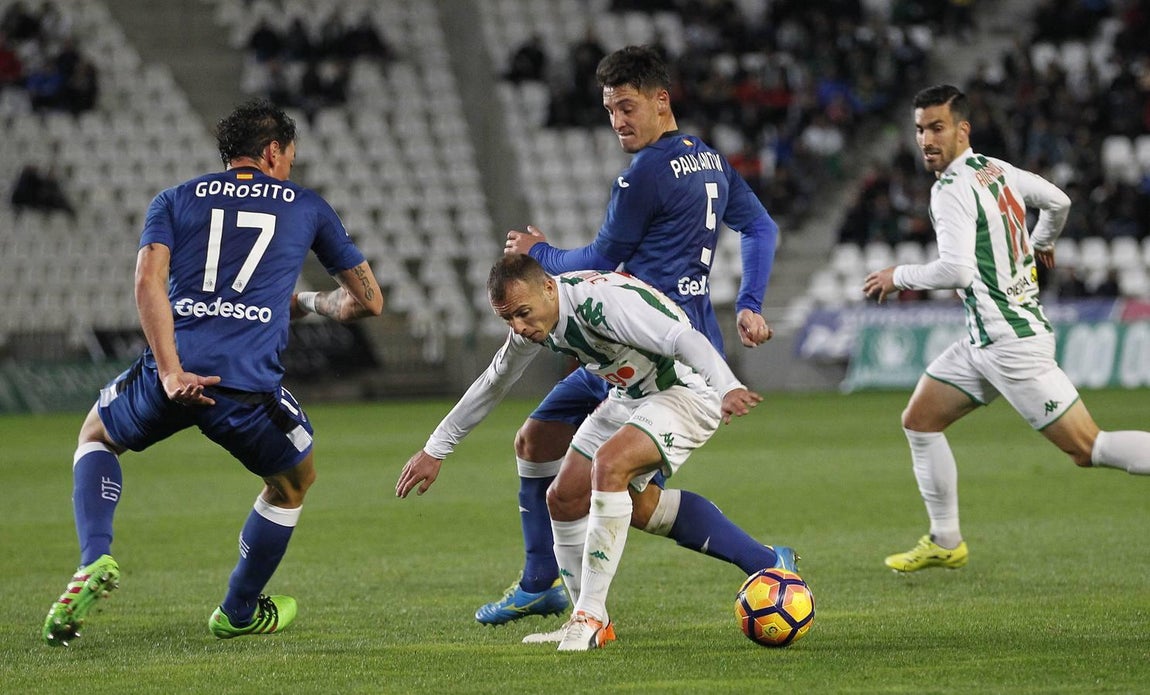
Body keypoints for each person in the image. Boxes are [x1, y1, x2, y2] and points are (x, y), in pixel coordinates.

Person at [41, 99, 384, 646]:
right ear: (273, 151)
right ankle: (239, 609)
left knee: (95, 437)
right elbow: (367, 301)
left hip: (172, 372)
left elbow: (148, 282)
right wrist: (317, 302)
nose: (289, 168)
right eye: (289, 158)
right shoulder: (307, 205)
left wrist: (173, 373)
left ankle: (94, 558)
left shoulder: (174, 199)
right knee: (294, 481)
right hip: (246, 387)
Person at [485, 44, 789, 628]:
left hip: (663, 355)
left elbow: (601, 256)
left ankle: (763, 560)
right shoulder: (710, 160)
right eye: (610, 111)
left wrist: (536, 253)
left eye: (627, 107)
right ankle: (538, 582)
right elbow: (759, 225)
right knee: (535, 439)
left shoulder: (644, 172)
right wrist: (749, 302)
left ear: (660, 101)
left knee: (631, 496)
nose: (618, 122)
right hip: (616, 352)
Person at [397, 254, 763, 651]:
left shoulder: (599, 303)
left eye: (522, 313)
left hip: (686, 390)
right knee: (564, 496)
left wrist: (727, 386)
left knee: (609, 464)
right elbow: (493, 382)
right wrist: (435, 450)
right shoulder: (535, 321)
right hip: (630, 394)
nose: (518, 326)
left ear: (549, 289)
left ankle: (587, 614)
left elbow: (683, 339)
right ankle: (595, 624)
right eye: (508, 319)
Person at [862, 84, 1150, 573]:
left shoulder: (950, 190)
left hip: (1011, 345)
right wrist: (1042, 241)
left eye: (937, 128)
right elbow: (1057, 201)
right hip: (984, 341)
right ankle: (946, 539)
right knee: (920, 420)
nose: (926, 140)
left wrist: (898, 276)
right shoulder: (997, 170)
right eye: (919, 129)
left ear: (961, 129)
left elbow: (956, 272)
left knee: (1087, 448)